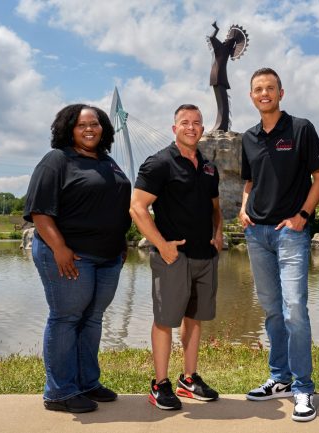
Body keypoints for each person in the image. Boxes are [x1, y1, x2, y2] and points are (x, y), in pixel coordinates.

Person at [24, 104, 131, 413]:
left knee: (92, 318)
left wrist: (121, 242)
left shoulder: (108, 162)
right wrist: (60, 248)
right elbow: (39, 211)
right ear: (68, 129)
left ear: (103, 128)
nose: (89, 129)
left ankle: (86, 382)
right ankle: (59, 392)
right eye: (81, 124)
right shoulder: (57, 160)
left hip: (108, 257)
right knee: (66, 317)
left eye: (95, 124)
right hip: (70, 255)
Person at [239, 67, 319, 422]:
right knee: (272, 310)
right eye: (258, 89)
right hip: (256, 234)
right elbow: (249, 182)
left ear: (281, 93)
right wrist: (243, 209)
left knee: (294, 309)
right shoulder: (248, 137)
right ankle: (280, 379)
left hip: (290, 232)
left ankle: (304, 387)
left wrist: (302, 216)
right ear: (251, 96)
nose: (264, 93)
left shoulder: (301, 128)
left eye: (270, 88)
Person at [129, 104, 223, 411]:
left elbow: (215, 206)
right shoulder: (159, 163)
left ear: (202, 129)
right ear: (174, 128)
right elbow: (137, 207)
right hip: (173, 258)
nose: (191, 127)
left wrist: (219, 232)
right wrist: (161, 245)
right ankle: (160, 384)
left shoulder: (208, 167)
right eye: (185, 122)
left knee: (194, 318)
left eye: (197, 122)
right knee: (165, 320)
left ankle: (189, 379)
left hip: (205, 257)